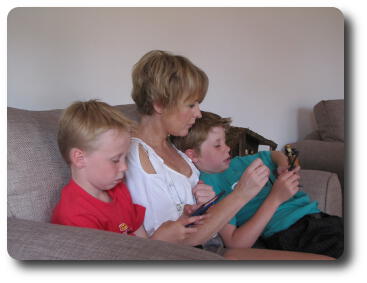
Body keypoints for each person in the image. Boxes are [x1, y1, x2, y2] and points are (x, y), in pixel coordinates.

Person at [125, 50, 334, 260]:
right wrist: (243, 192)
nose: (197, 113)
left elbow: (198, 222)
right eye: (191, 104)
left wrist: (206, 204)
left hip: (217, 248)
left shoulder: (178, 152)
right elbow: (180, 242)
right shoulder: (137, 157)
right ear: (160, 104)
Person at [171, 111, 344, 258]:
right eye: (217, 145)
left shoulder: (239, 162)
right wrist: (275, 198)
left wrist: (285, 164)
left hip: (320, 218)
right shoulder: (208, 187)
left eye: (225, 142)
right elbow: (235, 243)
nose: (227, 148)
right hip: (291, 232)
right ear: (193, 155)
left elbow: (275, 154)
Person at [51, 100, 204, 244]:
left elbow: (141, 240)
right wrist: (160, 241)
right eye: (116, 160)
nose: (125, 167)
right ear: (80, 158)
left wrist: (180, 222)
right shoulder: (75, 216)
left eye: (125, 157)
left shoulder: (118, 190)